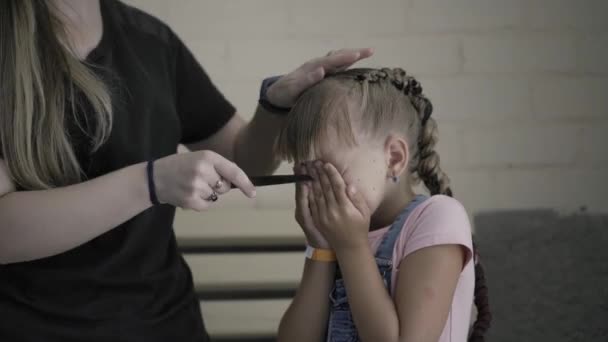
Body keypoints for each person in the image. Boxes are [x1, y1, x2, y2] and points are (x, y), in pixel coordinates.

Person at [0, 0, 373, 341]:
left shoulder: (151, 41)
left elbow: (242, 161)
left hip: (167, 325)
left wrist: (274, 105)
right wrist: (149, 182)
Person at [275, 68, 491, 342]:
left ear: (394, 157)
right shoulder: (339, 234)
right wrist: (321, 248)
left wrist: (351, 247)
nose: (317, 188)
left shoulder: (437, 218)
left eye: (327, 171)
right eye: (306, 173)